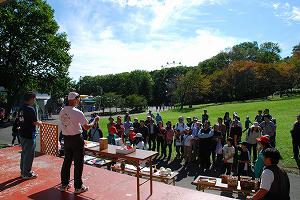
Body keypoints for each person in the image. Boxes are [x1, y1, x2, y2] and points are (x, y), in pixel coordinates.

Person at [59, 92, 100, 193]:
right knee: (78, 163)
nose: (79, 101)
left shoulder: (62, 111)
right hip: (76, 139)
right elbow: (86, 127)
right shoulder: (77, 112)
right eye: (78, 99)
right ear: (75, 99)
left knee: (67, 161)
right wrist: (95, 120)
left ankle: (64, 184)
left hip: (66, 139)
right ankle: (78, 186)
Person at [18, 92, 42, 179]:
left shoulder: (21, 108)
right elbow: (35, 122)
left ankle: (23, 171)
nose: (34, 100)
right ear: (31, 98)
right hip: (29, 134)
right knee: (29, 154)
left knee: (24, 153)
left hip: (22, 133)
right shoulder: (30, 109)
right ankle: (26, 173)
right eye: (34, 99)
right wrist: (40, 123)